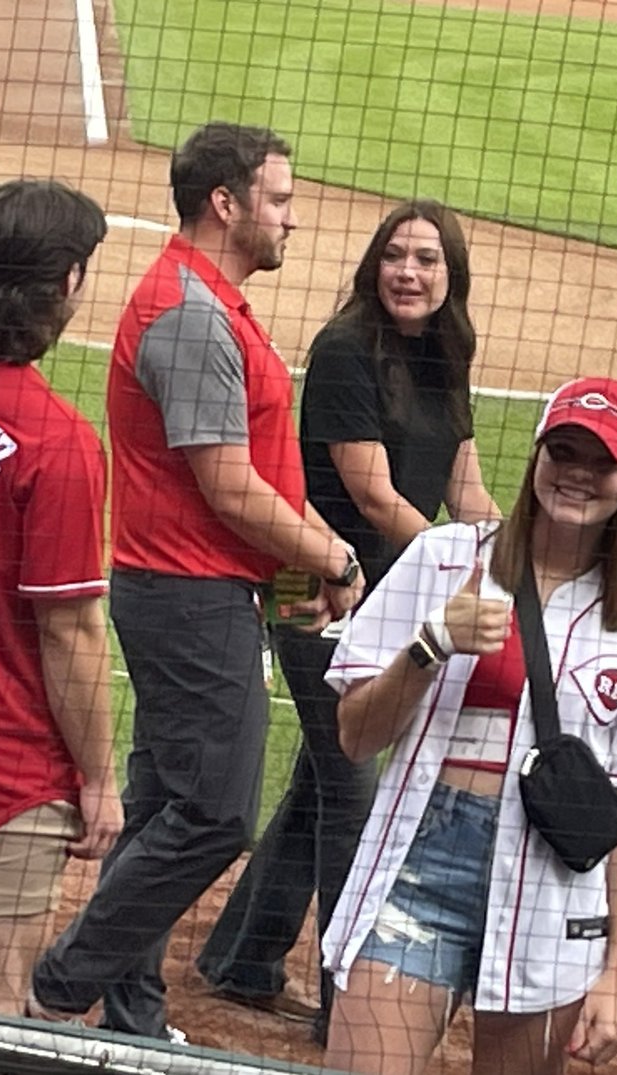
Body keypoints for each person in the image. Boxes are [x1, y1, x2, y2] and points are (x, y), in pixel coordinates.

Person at [28, 121, 365, 1039]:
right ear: (227, 202)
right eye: (281, 200)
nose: (292, 221)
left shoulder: (210, 300)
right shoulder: (188, 312)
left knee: (163, 808)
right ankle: (61, 985)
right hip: (189, 596)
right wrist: (332, 555)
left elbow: (247, 476)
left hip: (202, 589)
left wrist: (304, 562)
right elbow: (226, 484)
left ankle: (132, 1015)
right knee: (216, 815)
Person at [320, 377, 617, 1075]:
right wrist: (431, 644)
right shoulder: (443, 561)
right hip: (418, 869)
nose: (577, 473)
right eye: (563, 450)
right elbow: (354, 733)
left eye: (602, 460)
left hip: (553, 892)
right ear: (535, 457)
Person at [197, 199, 500, 1035]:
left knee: (322, 779)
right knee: (354, 788)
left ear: (451, 276)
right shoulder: (343, 352)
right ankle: (346, 1003)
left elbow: (464, 485)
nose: (409, 272)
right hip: (314, 579)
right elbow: (373, 493)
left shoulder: (447, 354)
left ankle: (240, 956)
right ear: (373, 267)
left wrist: (508, 552)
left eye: (427, 260)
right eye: (395, 256)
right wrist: (461, 565)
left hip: (390, 587)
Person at [0, 180, 122, 1015]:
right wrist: (97, 777)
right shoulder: (55, 442)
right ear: (65, 284)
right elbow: (71, 635)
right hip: (1, 774)